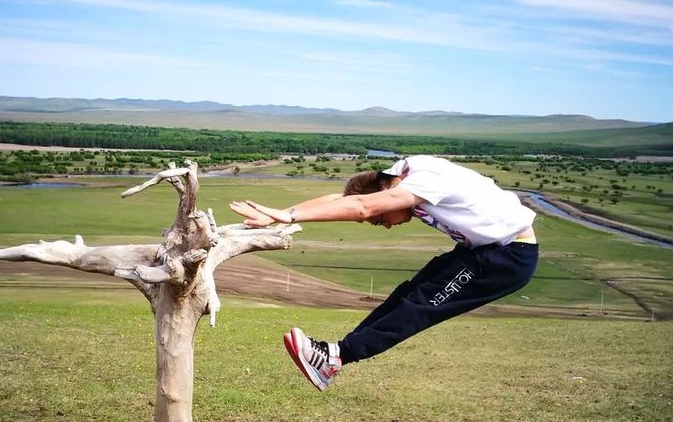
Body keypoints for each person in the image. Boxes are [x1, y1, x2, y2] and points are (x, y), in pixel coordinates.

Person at [229, 155, 538, 391]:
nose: (386, 225)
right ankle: (332, 357)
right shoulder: (398, 174)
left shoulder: (424, 180)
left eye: (380, 221)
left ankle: (335, 358)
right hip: (485, 251)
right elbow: (348, 201)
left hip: (509, 255)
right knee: (406, 294)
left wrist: (289, 215)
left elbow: (363, 207)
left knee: (421, 305)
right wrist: (279, 218)